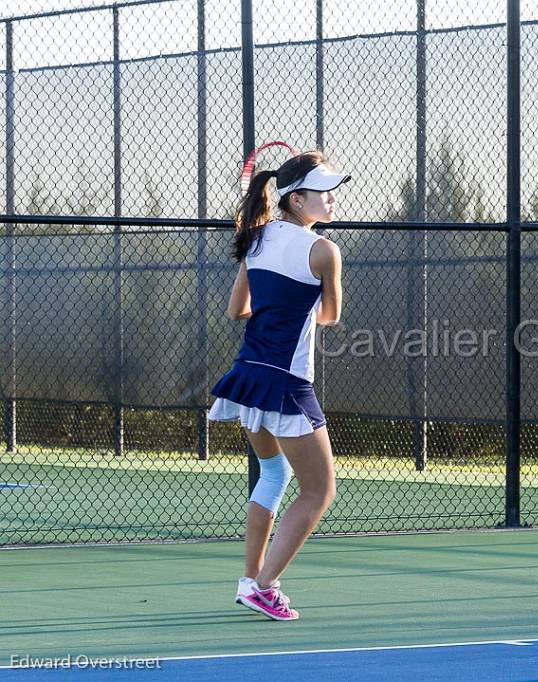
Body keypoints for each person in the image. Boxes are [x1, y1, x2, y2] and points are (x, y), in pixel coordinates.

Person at [207, 150, 348, 621]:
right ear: (296, 198)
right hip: (287, 384)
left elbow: (236, 310)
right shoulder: (324, 251)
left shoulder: (258, 239)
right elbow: (329, 317)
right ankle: (264, 586)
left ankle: (251, 579)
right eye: (322, 192)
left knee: (273, 474)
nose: (330, 200)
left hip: (247, 376)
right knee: (319, 491)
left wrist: (274, 307)